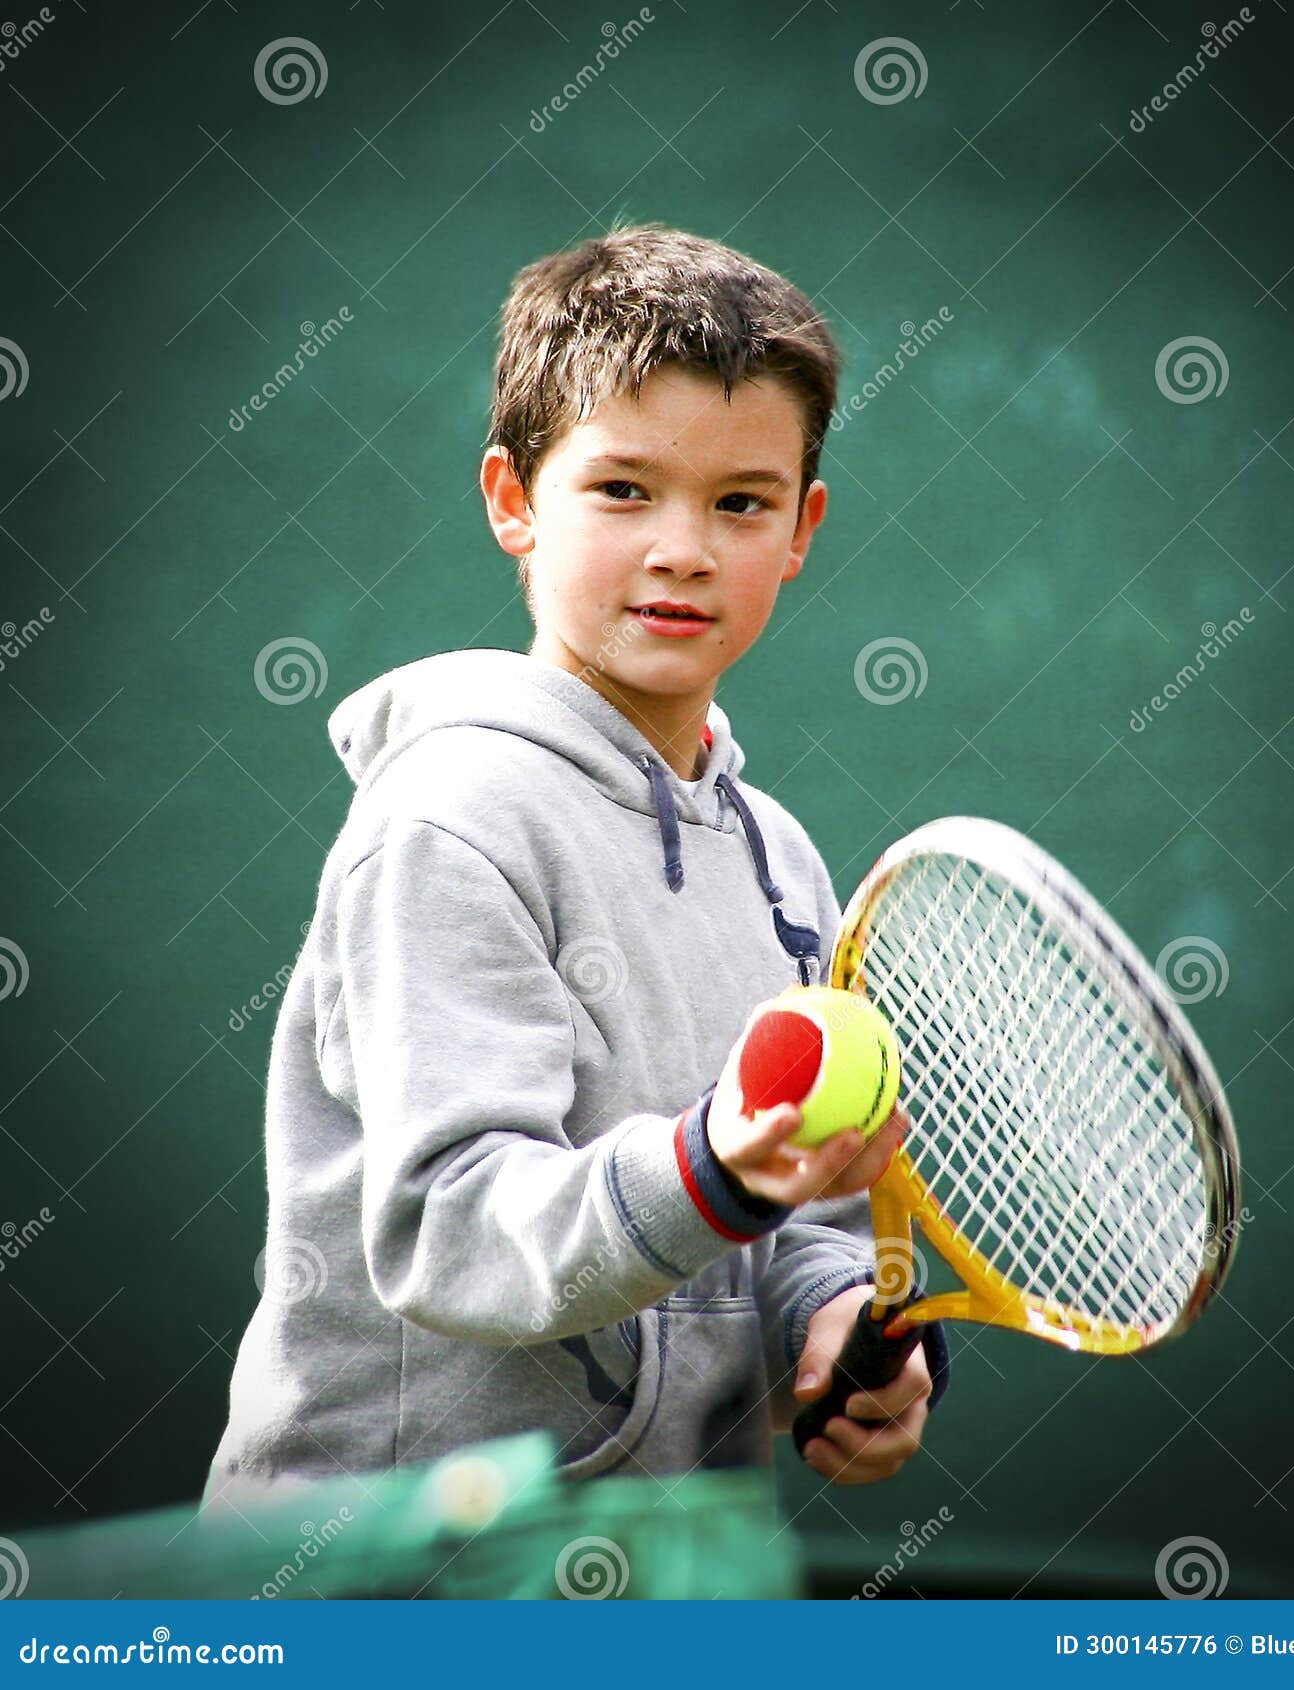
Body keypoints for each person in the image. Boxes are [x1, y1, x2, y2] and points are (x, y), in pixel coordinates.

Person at [202, 223, 949, 1511]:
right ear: (512, 501)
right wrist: (707, 1167)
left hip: (670, 1569)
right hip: (383, 1585)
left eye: (740, 502)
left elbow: (793, 1201)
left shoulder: (780, 859)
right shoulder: (446, 823)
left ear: (801, 529)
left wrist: (833, 1321)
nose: (683, 548)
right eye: (621, 489)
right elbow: (451, 1228)